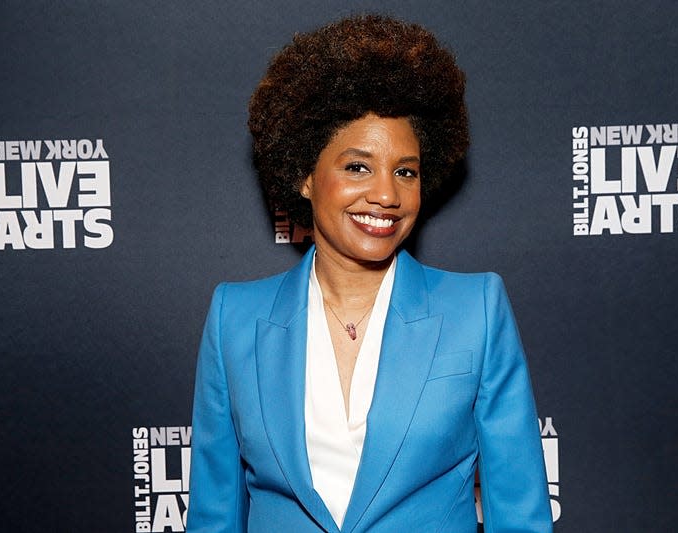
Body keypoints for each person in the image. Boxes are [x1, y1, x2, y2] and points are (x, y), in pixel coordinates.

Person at [187, 14, 552, 533]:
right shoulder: (235, 319)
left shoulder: (477, 310)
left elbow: (520, 515)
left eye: (406, 171)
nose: (387, 194)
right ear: (304, 177)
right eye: (358, 166)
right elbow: (214, 516)